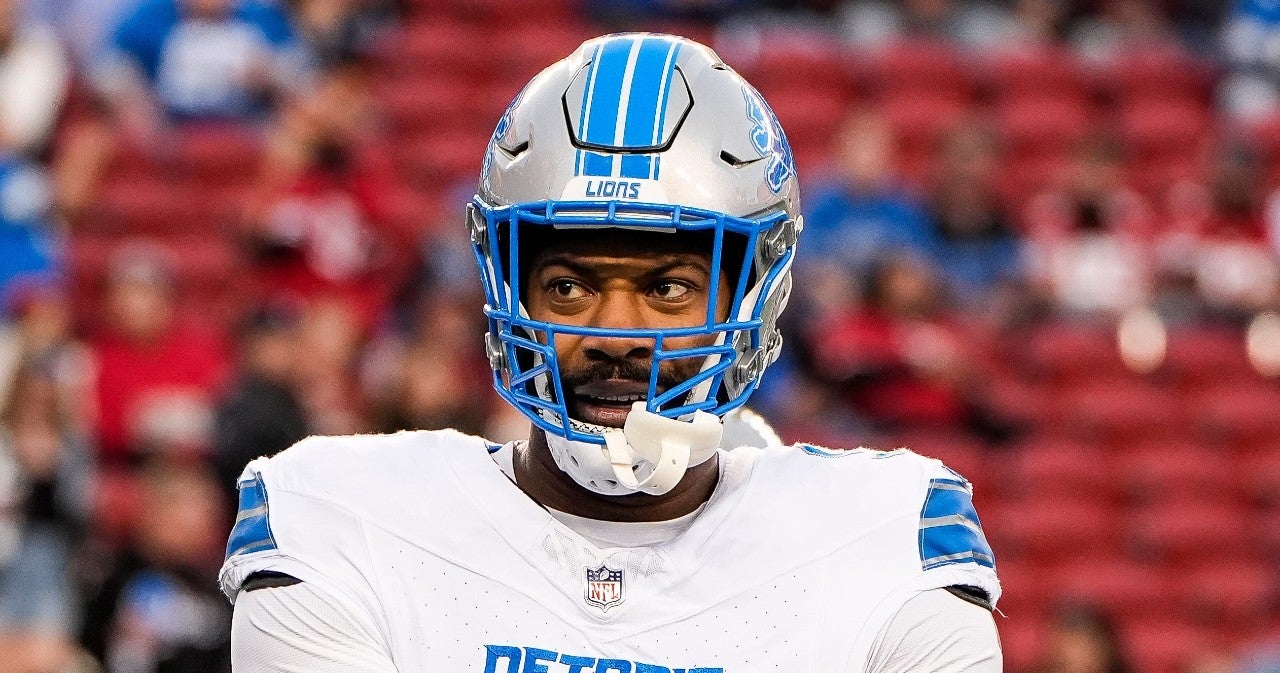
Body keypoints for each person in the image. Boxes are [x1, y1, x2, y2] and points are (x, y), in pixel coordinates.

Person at [220, 34, 1002, 672]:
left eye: (667, 290)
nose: (615, 334)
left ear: (755, 297)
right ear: (506, 289)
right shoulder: (338, 523)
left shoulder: (889, 537)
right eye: (567, 287)